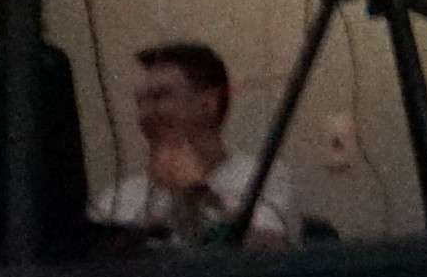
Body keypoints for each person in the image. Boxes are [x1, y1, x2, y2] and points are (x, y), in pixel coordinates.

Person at [93, 41, 302, 250]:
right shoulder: (114, 199)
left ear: (208, 104)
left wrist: (196, 192)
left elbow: (268, 256)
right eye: (140, 102)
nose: (146, 113)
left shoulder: (262, 177)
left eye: (160, 97)